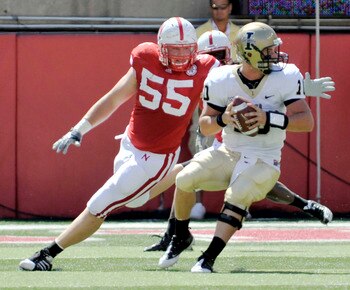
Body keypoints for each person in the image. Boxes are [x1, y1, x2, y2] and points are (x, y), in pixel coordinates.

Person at [18, 17, 221, 271]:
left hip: (158, 156)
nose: (180, 56)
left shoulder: (206, 68)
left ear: (195, 48)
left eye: (185, 49)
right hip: (130, 142)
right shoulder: (145, 57)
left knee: (101, 203)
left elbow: (210, 112)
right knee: (134, 199)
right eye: (174, 49)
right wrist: (79, 129)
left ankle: (47, 255)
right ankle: (185, 170)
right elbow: (114, 98)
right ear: (160, 47)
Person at [158, 22, 331, 273]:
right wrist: (223, 119)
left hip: (265, 157)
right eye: (269, 50)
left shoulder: (286, 75)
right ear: (250, 52)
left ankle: (207, 259)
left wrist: (267, 118)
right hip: (229, 151)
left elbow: (306, 122)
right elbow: (206, 126)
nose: (276, 54)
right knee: (184, 178)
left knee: (236, 195)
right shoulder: (220, 78)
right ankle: (181, 236)